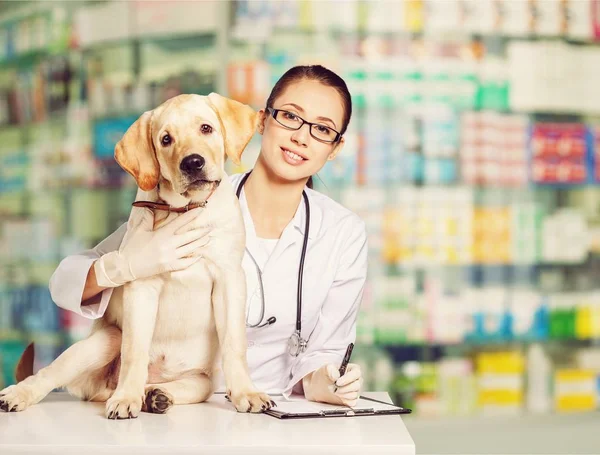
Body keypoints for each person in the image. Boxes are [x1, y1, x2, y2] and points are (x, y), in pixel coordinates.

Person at [49, 65, 368, 408]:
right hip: (182, 405)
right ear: (261, 121)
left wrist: (332, 382)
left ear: (335, 147)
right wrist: (125, 266)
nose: (301, 137)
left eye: (322, 129)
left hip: (271, 411)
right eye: (290, 117)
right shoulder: (186, 201)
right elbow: (63, 283)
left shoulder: (343, 233)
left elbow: (321, 360)